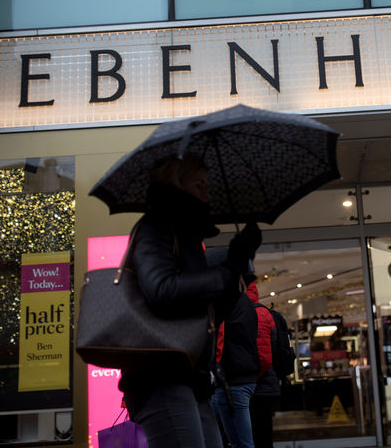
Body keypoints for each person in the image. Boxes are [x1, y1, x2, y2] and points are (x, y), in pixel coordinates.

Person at [116, 155, 262, 448]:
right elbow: (162, 290)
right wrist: (227, 272)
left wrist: (239, 264)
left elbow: (206, 313)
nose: (207, 194)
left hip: (190, 376)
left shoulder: (188, 236)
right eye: (199, 185)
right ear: (176, 184)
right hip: (161, 375)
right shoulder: (156, 227)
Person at [209, 271, 260, 448]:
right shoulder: (246, 302)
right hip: (243, 376)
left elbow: (220, 340)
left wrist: (213, 366)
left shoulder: (225, 302)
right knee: (240, 442)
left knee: (240, 443)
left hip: (231, 379)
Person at [248, 282, 278, 448]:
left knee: (256, 436)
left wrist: (248, 377)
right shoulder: (263, 313)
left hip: (256, 387)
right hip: (264, 386)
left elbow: (263, 358)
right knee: (263, 435)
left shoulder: (252, 314)